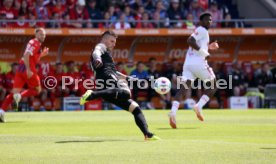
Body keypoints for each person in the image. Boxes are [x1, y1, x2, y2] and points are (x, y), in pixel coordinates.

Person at [79, 30, 160, 141]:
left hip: (107, 87)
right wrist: (97, 58)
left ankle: (147, 134)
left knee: (135, 108)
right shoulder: (101, 46)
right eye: (112, 41)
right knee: (126, 92)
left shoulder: (107, 55)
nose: (114, 44)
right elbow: (96, 51)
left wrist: (127, 78)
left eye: (114, 42)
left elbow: (115, 72)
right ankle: (92, 94)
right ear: (105, 39)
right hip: (107, 79)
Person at [168, 12, 219, 128]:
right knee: (214, 85)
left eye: (210, 20)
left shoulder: (201, 31)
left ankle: (173, 112)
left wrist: (209, 47)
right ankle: (199, 106)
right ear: (201, 21)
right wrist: (204, 52)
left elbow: (196, 44)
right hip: (199, 64)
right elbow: (190, 40)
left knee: (184, 88)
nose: (209, 22)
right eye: (207, 19)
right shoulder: (202, 30)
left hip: (188, 64)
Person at [0, 28, 49, 123]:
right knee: (37, 90)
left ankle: (1, 111)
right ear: (36, 34)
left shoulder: (35, 44)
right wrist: (28, 69)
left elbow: (31, 57)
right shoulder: (34, 42)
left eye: (44, 35)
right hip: (28, 69)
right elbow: (26, 55)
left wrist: (42, 54)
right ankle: (20, 96)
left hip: (20, 68)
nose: (43, 36)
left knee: (13, 93)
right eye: (40, 34)